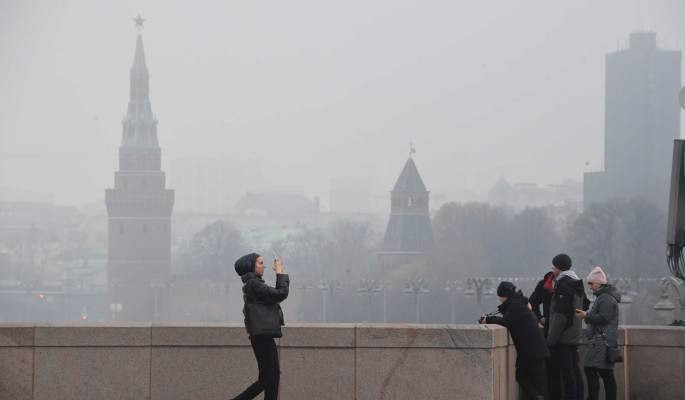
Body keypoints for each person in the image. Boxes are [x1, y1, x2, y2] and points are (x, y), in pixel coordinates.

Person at [231, 253, 290, 400]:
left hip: (264, 335)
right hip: (262, 337)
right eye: (260, 263)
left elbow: (274, 295)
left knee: (273, 376)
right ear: (251, 266)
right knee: (267, 378)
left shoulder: (254, 284)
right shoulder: (254, 284)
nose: (263, 266)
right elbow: (281, 293)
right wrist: (279, 272)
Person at [480, 281, 549, 400]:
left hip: (532, 350)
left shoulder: (515, 305)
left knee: (526, 378)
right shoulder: (518, 303)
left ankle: (537, 397)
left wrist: (488, 320)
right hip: (532, 349)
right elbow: (509, 317)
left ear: (502, 295)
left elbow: (506, 321)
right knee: (527, 378)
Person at [546, 253, 588, 400]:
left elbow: (560, 316)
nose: (552, 269)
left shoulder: (564, 284)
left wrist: (551, 340)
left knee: (567, 372)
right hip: (574, 333)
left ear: (559, 267)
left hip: (564, 336)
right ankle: (579, 396)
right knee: (574, 370)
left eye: (554, 266)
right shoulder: (577, 282)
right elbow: (585, 305)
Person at [575, 266, 620, 400]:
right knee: (606, 374)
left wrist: (586, 316)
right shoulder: (605, 297)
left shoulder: (605, 298)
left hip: (601, 341)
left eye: (591, 283)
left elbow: (604, 318)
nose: (589, 286)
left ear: (599, 283)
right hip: (603, 341)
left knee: (591, 370)